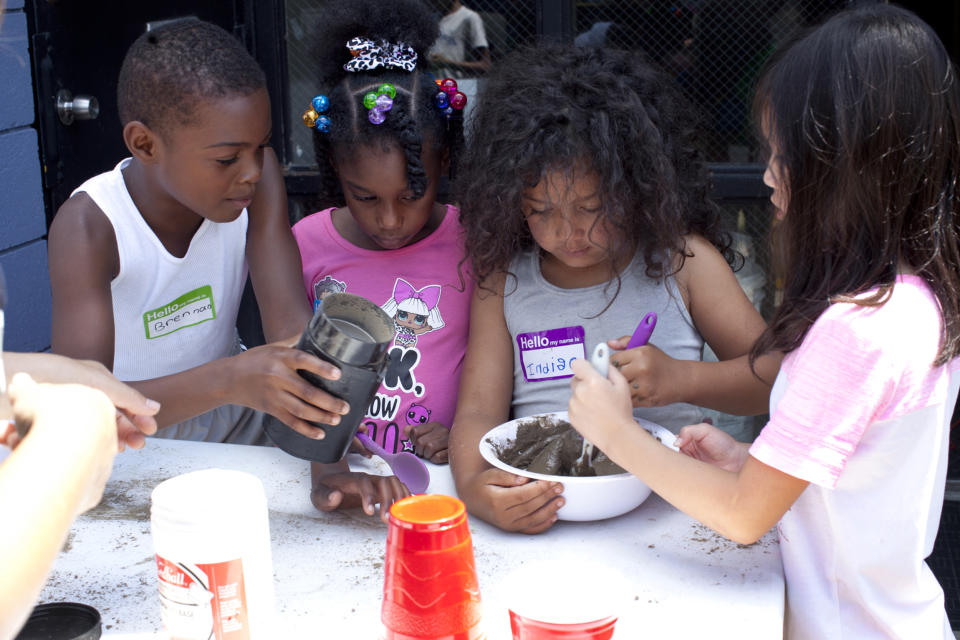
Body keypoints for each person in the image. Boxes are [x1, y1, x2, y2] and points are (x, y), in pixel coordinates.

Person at [568, 5, 960, 638]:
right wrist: (748, 459)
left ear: (849, 165)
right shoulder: (915, 301)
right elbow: (859, 473)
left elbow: (744, 518)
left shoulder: (855, 330)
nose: (769, 175)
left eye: (786, 154)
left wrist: (616, 434)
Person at [449, 44, 778, 534]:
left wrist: (681, 380)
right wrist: (476, 487)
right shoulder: (504, 282)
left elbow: (775, 382)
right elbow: (477, 409)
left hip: (673, 518)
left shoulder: (683, 263)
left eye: (590, 207)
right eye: (541, 211)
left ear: (637, 187)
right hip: (544, 522)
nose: (568, 233)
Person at [47, 19, 348, 445]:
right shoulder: (91, 228)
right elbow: (84, 409)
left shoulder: (258, 188)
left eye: (259, 147)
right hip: (127, 433)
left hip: (241, 410)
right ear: (145, 145)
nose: (251, 172)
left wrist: (326, 459)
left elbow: (291, 334)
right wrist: (228, 379)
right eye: (227, 159)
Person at [292, 0, 472, 520]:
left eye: (412, 193)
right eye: (365, 197)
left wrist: (463, 433)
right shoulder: (306, 244)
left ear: (444, 166)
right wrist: (328, 469)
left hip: (446, 482)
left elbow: (494, 361)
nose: (390, 220)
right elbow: (299, 375)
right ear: (334, 173)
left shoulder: (473, 240)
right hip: (341, 476)